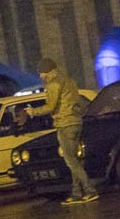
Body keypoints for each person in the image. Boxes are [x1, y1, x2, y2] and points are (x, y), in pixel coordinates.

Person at [26, 58, 98, 205]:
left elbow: (51, 107)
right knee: (74, 160)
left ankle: (90, 190)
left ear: (47, 71)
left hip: (65, 123)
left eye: (41, 72)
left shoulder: (53, 84)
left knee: (70, 160)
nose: (40, 76)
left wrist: (33, 111)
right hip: (76, 122)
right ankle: (77, 194)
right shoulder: (68, 80)